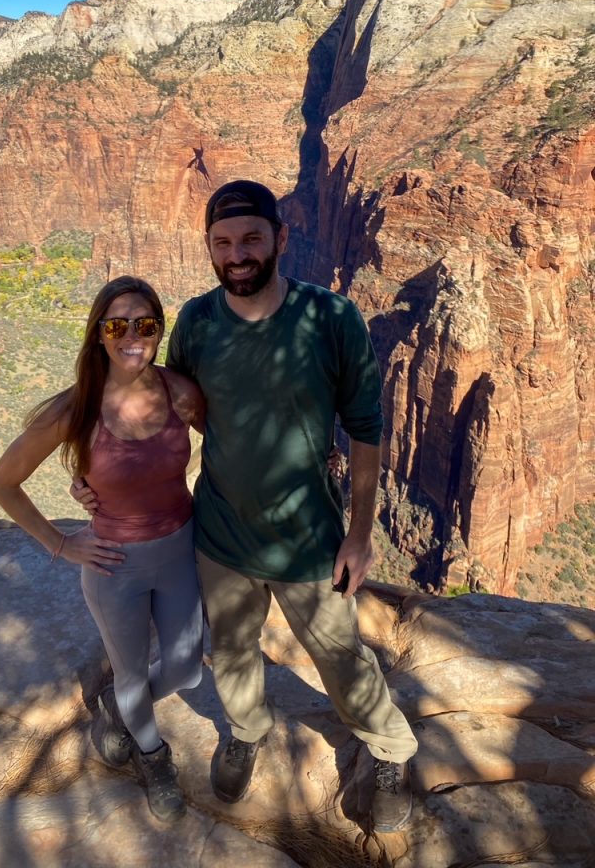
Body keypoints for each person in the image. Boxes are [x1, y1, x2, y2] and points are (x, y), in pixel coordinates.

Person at [74, 181, 418, 833]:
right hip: (222, 536)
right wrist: (93, 476)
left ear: (280, 239)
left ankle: (389, 751)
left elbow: (366, 426)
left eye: (252, 238)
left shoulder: (331, 318)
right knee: (231, 651)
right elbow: (165, 409)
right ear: (208, 248)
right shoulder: (199, 322)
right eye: (223, 243)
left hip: (310, 539)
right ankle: (246, 732)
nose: (238, 254)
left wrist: (361, 534)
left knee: (341, 656)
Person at [0, 275, 205, 824]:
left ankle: (114, 708)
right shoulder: (74, 410)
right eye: (117, 325)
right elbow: (3, 483)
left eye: (145, 324)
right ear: (98, 336)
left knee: (184, 668)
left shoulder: (179, 392)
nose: (132, 335)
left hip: (179, 549)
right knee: (132, 672)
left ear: (159, 329)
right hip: (115, 566)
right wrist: (60, 543)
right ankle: (153, 756)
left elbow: (224, 444)